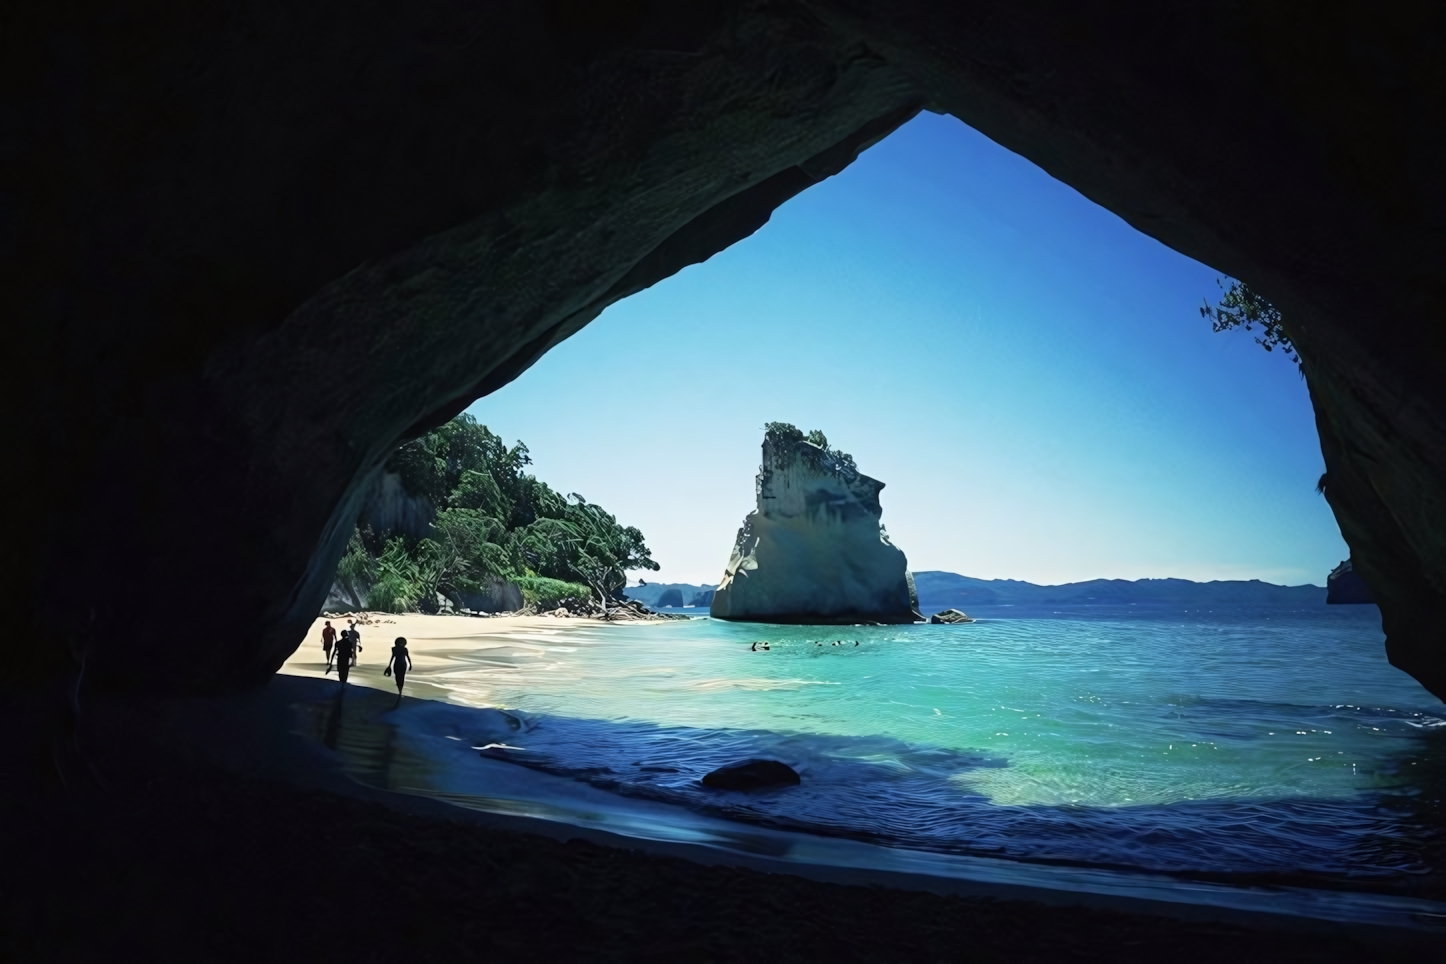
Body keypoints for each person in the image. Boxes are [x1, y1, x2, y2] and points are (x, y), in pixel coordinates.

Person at [384, 637, 412, 704]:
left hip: (396, 664)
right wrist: (410, 665)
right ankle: (400, 692)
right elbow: (407, 657)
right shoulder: (404, 649)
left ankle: (399, 690)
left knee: (397, 677)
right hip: (403, 664)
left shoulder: (394, 649)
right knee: (401, 677)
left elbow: (392, 657)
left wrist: (390, 665)